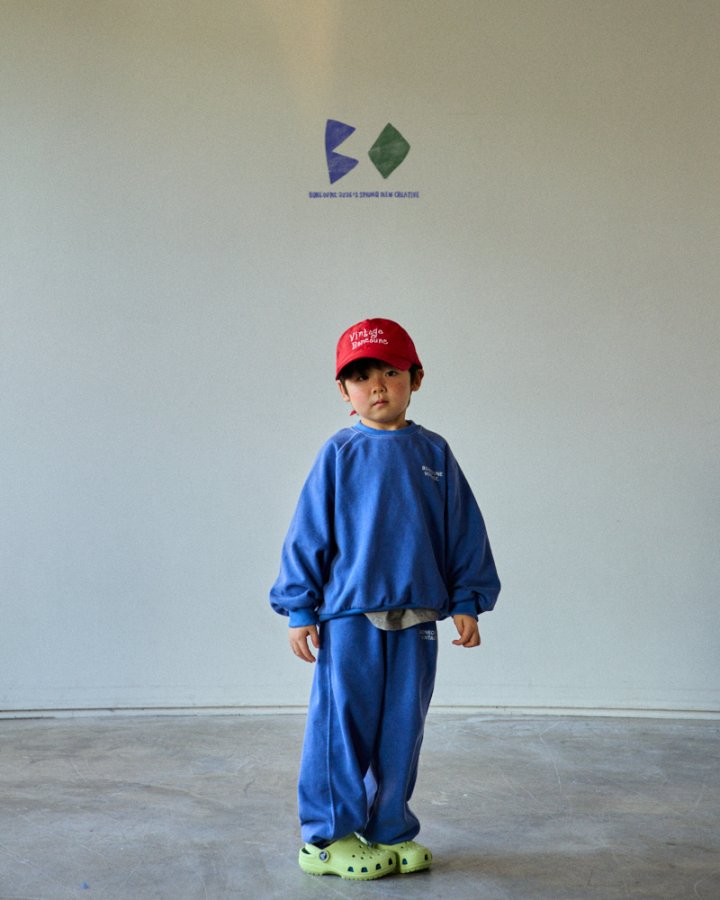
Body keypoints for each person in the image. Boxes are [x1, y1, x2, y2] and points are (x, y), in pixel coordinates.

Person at [269, 317, 500, 880]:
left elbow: (463, 532)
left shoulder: (434, 452)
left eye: (391, 373)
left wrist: (466, 600)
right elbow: (308, 533)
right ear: (343, 390)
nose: (377, 386)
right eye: (361, 377)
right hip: (350, 616)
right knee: (342, 729)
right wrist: (300, 607)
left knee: (402, 729)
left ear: (415, 379)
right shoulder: (339, 453)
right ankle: (328, 838)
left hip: (418, 617)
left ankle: (389, 829)